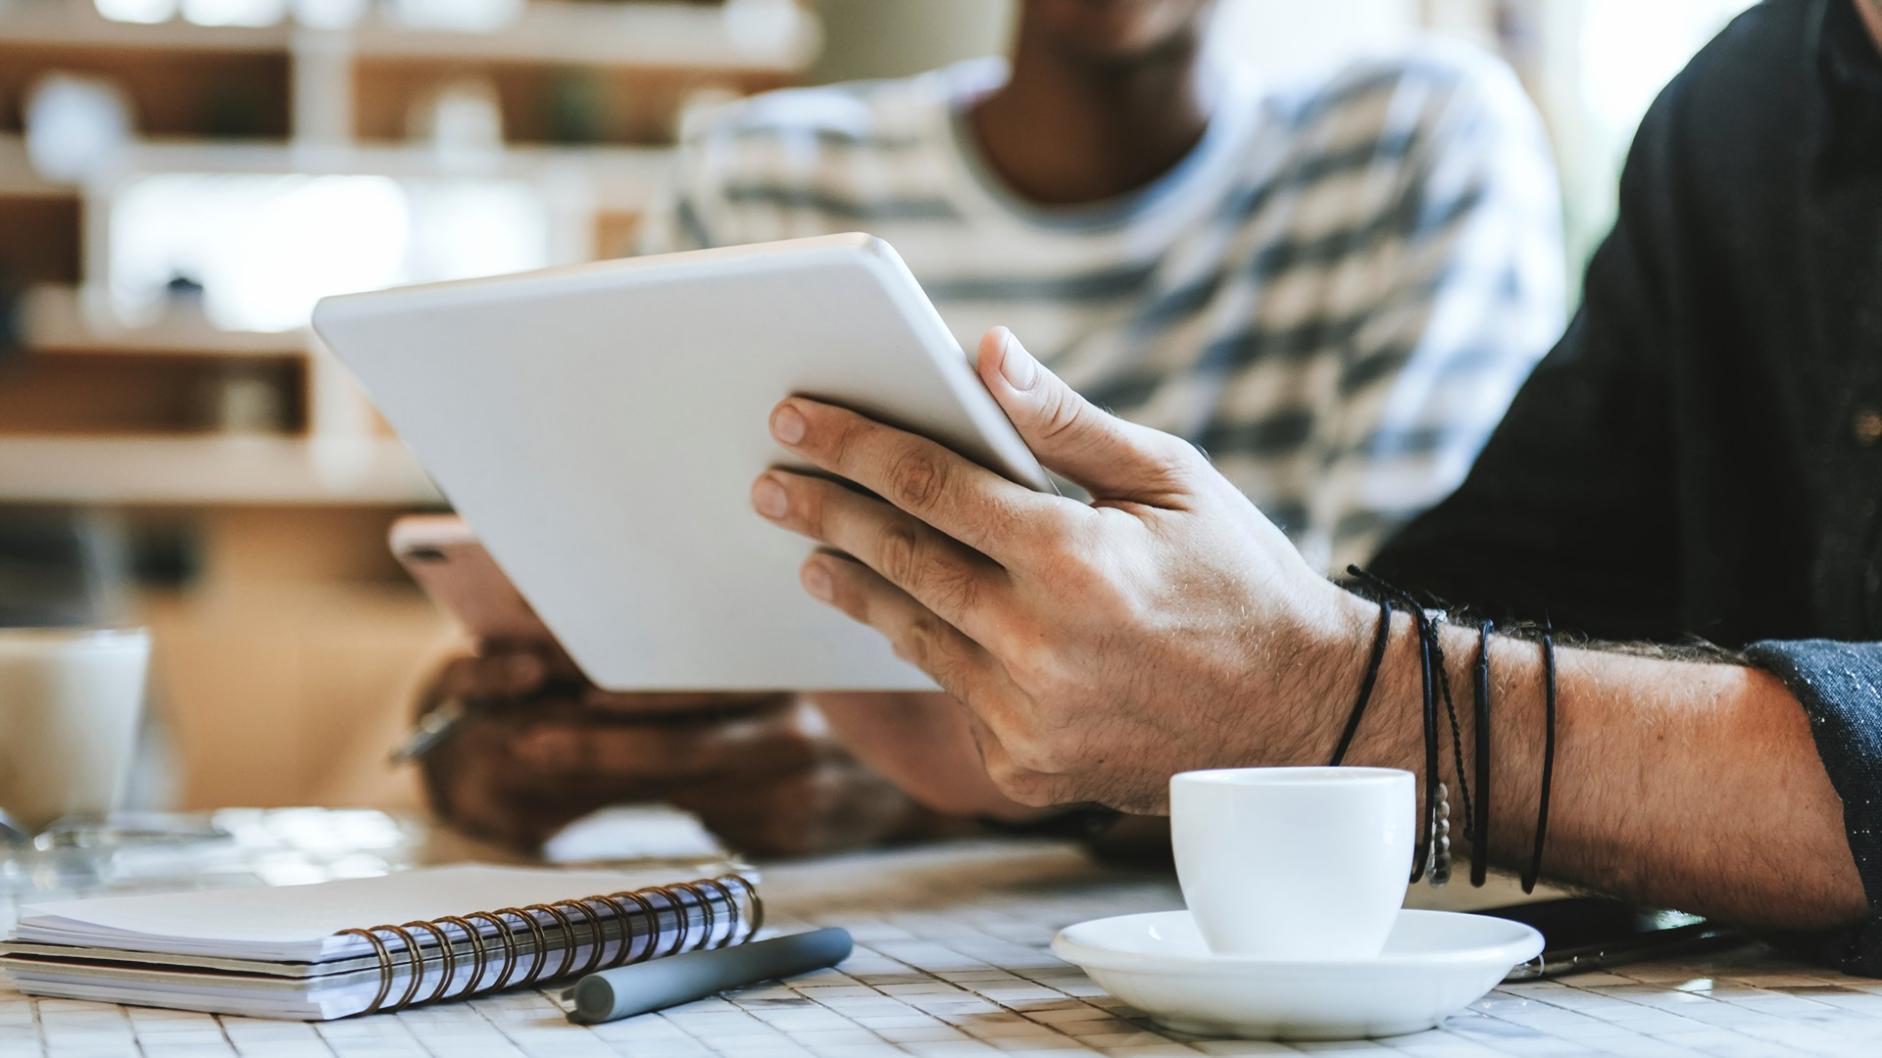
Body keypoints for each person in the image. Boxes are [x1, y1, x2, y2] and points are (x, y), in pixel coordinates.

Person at [747, 0, 1882, 971]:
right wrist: (1074, 712)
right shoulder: (1739, 114)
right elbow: (1485, 601)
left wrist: (1325, 692)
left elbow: (1371, 672)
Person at [414, 0, 1563, 853]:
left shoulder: (1414, 142)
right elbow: (621, 599)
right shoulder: (761, 178)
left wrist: (931, 784)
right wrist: (487, 739)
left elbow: (1399, 713)